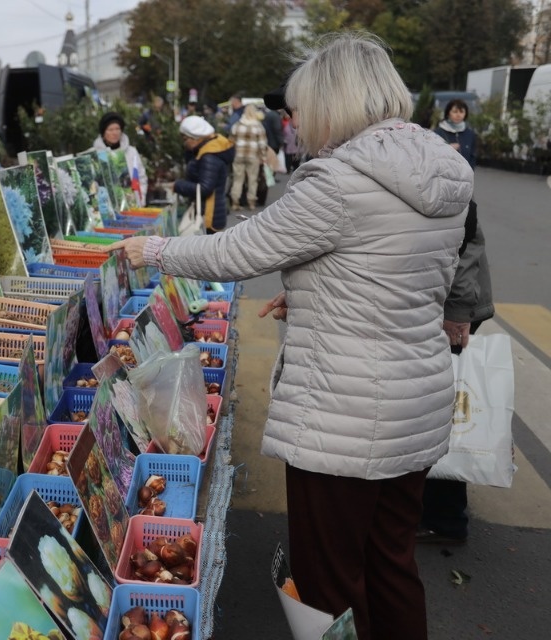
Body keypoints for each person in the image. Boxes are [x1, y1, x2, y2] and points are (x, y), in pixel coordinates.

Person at [108, 32, 474, 640]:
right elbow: (400, 273)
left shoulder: (337, 181)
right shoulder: (442, 168)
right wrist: (310, 289)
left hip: (345, 416)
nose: (294, 120)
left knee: (328, 581)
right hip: (415, 403)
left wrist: (152, 249)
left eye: (300, 106)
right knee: (390, 565)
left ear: (336, 100)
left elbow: (237, 249)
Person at [420, 101, 492, 545]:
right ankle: (438, 509)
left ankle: (447, 518)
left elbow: (465, 253)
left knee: (444, 411)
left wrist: (457, 314)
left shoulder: (444, 187)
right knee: (439, 408)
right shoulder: (438, 176)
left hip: (454, 310)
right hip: (452, 306)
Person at [173, 115, 234, 233]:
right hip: (212, 211)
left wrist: (177, 186)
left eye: (185, 139)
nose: (184, 143)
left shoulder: (209, 156)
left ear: (196, 138)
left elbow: (205, 188)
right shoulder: (208, 150)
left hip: (209, 214)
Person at [92, 111, 148, 206]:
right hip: (105, 208)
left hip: (132, 206)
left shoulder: (131, 152)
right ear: (103, 132)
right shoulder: (94, 154)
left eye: (117, 129)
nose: (115, 133)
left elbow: (141, 177)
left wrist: (140, 198)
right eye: (110, 129)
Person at [229, 103, 268, 211]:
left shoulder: (237, 125)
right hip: (253, 156)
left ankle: (235, 202)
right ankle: (251, 202)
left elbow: (231, 141)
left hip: (238, 155)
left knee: (237, 179)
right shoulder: (258, 126)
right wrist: (263, 157)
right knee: (252, 179)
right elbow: (262, 144)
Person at [434, 99, 477, 167]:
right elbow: (432, 156)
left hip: (464, 175)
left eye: (461, 112)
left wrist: (469, 173)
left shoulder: (470, 134)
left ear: (465, 114)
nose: (458, 115)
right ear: (448, 113)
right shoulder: (438, 133)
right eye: (455, 112)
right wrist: (446, 149)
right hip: (443, 175)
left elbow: (472, 158)